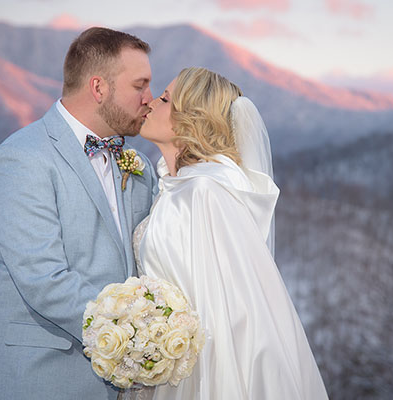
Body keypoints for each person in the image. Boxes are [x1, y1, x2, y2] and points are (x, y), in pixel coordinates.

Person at [0, 27, 157, 400]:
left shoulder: (139, 165)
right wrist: (135, 338)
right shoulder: (21, 159)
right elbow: (43, 279)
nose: (150, 99)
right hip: (46, 381)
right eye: (139, 85)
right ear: (99, 88)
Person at [134, 67, 329, 399]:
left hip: (201, 373)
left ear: (191, 118)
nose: (151, 102)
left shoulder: (205, 192)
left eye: (165, 99)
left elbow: (233, 312)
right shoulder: (178, 188)